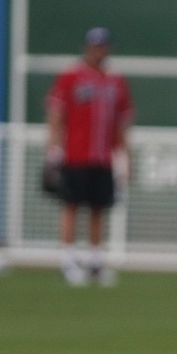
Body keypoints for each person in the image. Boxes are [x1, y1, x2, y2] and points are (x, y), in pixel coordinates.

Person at [45, 27, 134, 286]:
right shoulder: (71, 76)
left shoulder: (115, 81)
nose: (100, 50)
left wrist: (126, 157)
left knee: (98, 208)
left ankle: (95, 263)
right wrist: (54, 149)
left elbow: (122, 122)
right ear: (87, 47)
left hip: (102, 156)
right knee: (71, 206)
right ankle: (69, 261)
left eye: (103, 46)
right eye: (96, 46)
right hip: (75, 154)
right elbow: (55, 113)